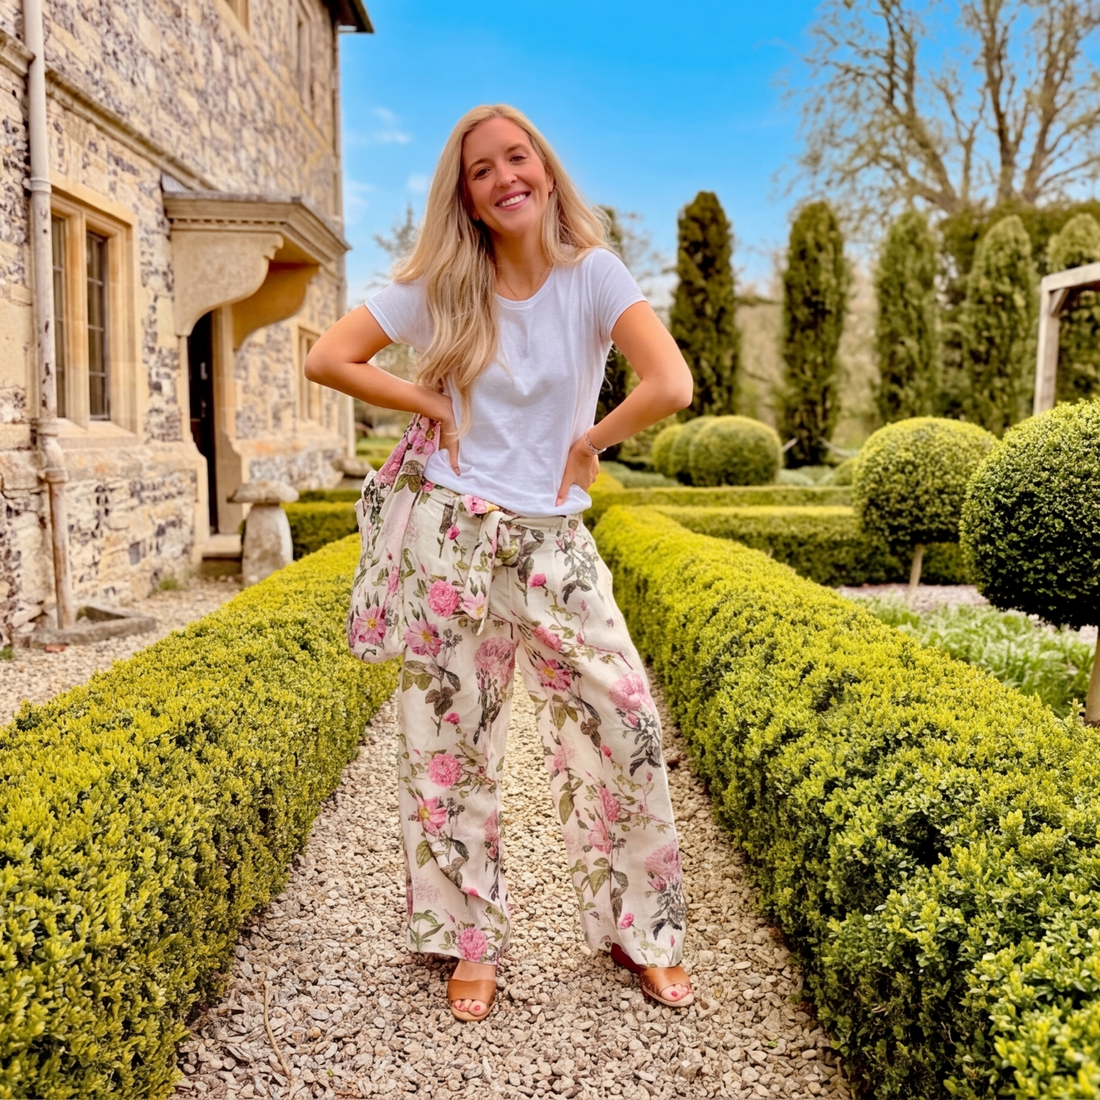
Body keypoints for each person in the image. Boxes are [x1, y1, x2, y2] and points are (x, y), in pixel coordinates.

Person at [305, 104, 694, 1022]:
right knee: (450, 750)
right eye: (482, 170)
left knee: (625, 726)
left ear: (546, 173)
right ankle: (468, 944)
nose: (504, 177)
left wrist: (590, 441)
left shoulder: (594, 276)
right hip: (452, 537)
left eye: (517, 159)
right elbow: (329, 355)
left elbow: (670, 383)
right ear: (468, 197)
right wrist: (428, 404)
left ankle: (646, 931)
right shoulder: (445, 285)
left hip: (555, 545)